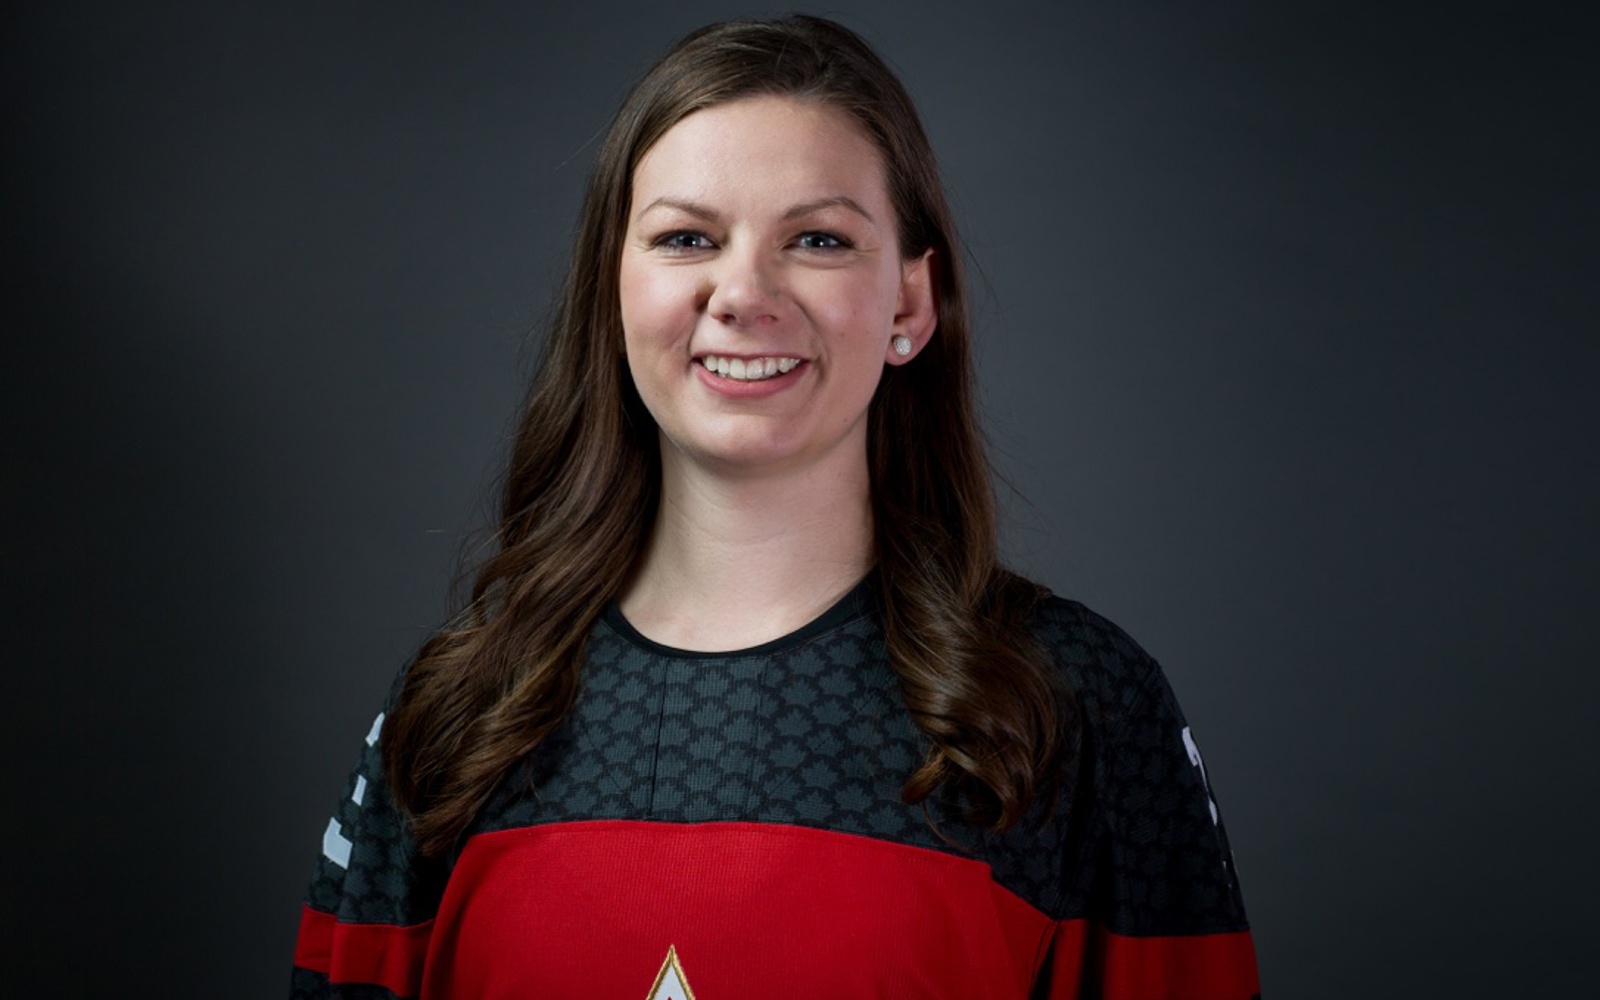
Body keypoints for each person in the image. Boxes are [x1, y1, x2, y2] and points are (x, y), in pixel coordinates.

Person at [290, 14, 1259, 999]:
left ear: (910, 306)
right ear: (612, 292)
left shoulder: (1073, 706)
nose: (743, 292)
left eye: (818, 238)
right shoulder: (453, 710)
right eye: (684, 237)